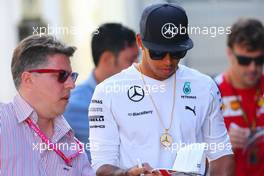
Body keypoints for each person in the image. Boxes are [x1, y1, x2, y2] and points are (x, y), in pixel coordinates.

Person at [89, 3, 234, 176]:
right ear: (139, 43)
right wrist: (128, 174)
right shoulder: (107, 92)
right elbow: (102, 166)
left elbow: (221, 156)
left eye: (177, 53)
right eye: (158, 53)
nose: (168, 61)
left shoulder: (204, 86)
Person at [0, 35, 94, 176]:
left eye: (72, 76)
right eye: (61, 75)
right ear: (28, 80)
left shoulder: (73, 146)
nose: (71, 85)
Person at [63, 23, 138, 160]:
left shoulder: (140, 97)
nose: (137, 66)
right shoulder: (70, 105)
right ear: (107, 59)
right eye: (130, 60)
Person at [215, 18, 264, 176]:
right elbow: (191, 153)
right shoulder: (211, 92)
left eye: (259, 60)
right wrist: (222, 143)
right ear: (230, 53)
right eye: (244, 60)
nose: (253, 68)